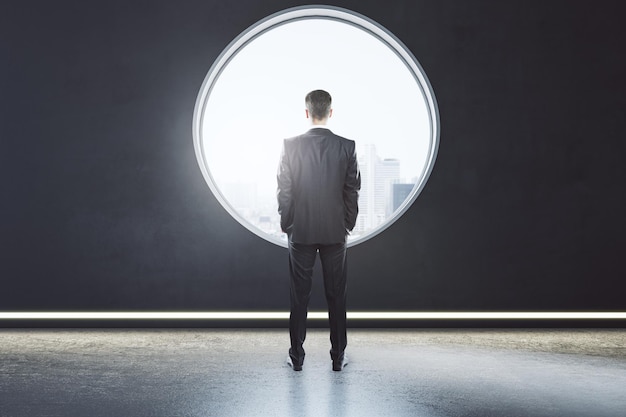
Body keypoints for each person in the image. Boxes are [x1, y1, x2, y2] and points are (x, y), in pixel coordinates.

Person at [277, 90, 361, 371]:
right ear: (331, 112)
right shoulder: (346, 146)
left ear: (306, 112)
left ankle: (297, 358)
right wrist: (346, 223)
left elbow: (284, 190)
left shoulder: (290, 146)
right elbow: (352, 190)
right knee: (337, 296)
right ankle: (338, 358)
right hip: (335, 232)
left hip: (300, 231)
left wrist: (287, 223)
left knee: (298, 296)